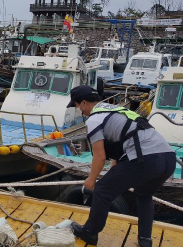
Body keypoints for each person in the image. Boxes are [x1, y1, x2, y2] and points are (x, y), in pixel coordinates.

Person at [67, 86, 175, 247]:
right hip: (168, 159)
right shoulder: (115, 110)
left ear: (83, 103)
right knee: (144, 195)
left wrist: (91, 179)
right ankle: (145, 240)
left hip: (145, 159)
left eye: (76, 106)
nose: (78, 110)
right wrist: (115, 168)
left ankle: (90, 232)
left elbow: (100, 156)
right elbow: (125, 137)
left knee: (102, 190)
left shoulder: (94, 119)